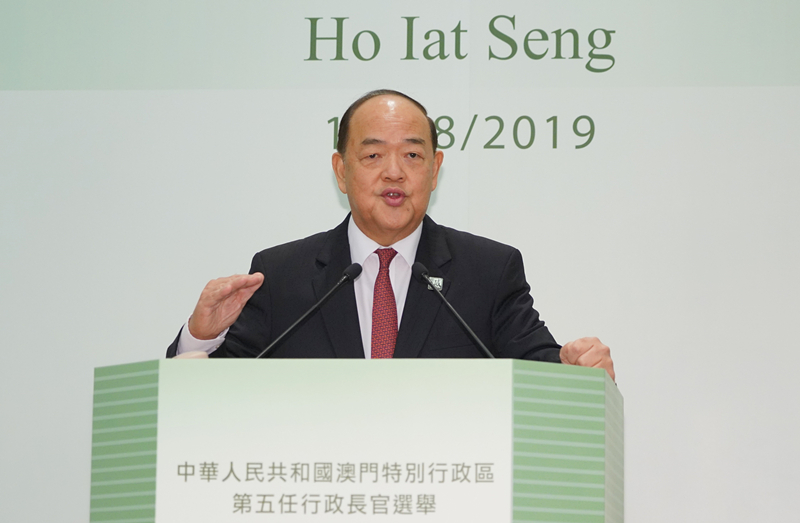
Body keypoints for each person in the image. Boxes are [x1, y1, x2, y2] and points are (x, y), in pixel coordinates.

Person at [167, 89, 614, 380]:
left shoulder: (489, 271)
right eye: (373, 156)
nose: (394, 172)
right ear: (341, 171)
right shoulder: (281, 275)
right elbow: (212, 398)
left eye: (413, 156)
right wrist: (199, 337)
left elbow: (541, 369)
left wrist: (575, 369)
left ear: (435, 170)